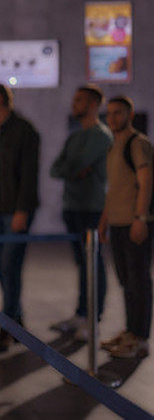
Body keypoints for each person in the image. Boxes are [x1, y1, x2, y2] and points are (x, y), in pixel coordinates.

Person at [0, 83, 40, 353]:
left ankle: (8, 327)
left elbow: (29, 175)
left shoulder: (24, 130)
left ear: (0, 99)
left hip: (13, 211)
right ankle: (15, 321)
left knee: (9, 267)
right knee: (3, 269)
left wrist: (22, 211)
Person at [49, 85, 112, 342]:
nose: (74, 104)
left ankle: (93, 320)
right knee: (82, 265)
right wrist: (74, 170)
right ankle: (81, 313)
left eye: (80, 100)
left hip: (92, 208)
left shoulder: (102, 136)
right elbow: (56, 169)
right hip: (72, 207)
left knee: (93, 265)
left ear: (94, 104)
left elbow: (75, 164)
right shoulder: (74, 137)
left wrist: (73, 168)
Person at [98, 96, 152, 359]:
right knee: (126, 280)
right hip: (117, 223)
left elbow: (146, 182)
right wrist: (104, 221)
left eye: (118, 113)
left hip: (134, 223)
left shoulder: (137, 143)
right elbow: (114, 188)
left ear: (129, 115)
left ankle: (140, 338)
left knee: (138, 281)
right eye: (109, 113)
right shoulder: (113, 146)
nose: (112, 118)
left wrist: (140, 218)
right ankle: (131, 332)